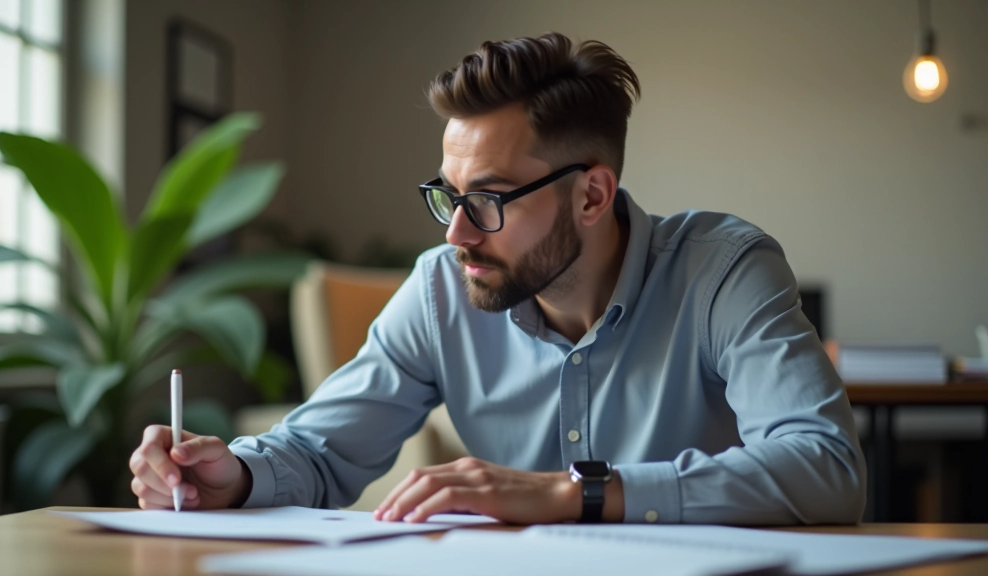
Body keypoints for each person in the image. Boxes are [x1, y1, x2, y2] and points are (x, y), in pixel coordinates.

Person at [129, 32, 865, 525]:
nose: (456, 232)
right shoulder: (441, 289)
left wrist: (573, 493)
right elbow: (320, 452)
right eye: (448, 195)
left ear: (591, 195)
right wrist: (232, 477)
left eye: (487, 199)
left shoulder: (722, 270)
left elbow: (826, 468)